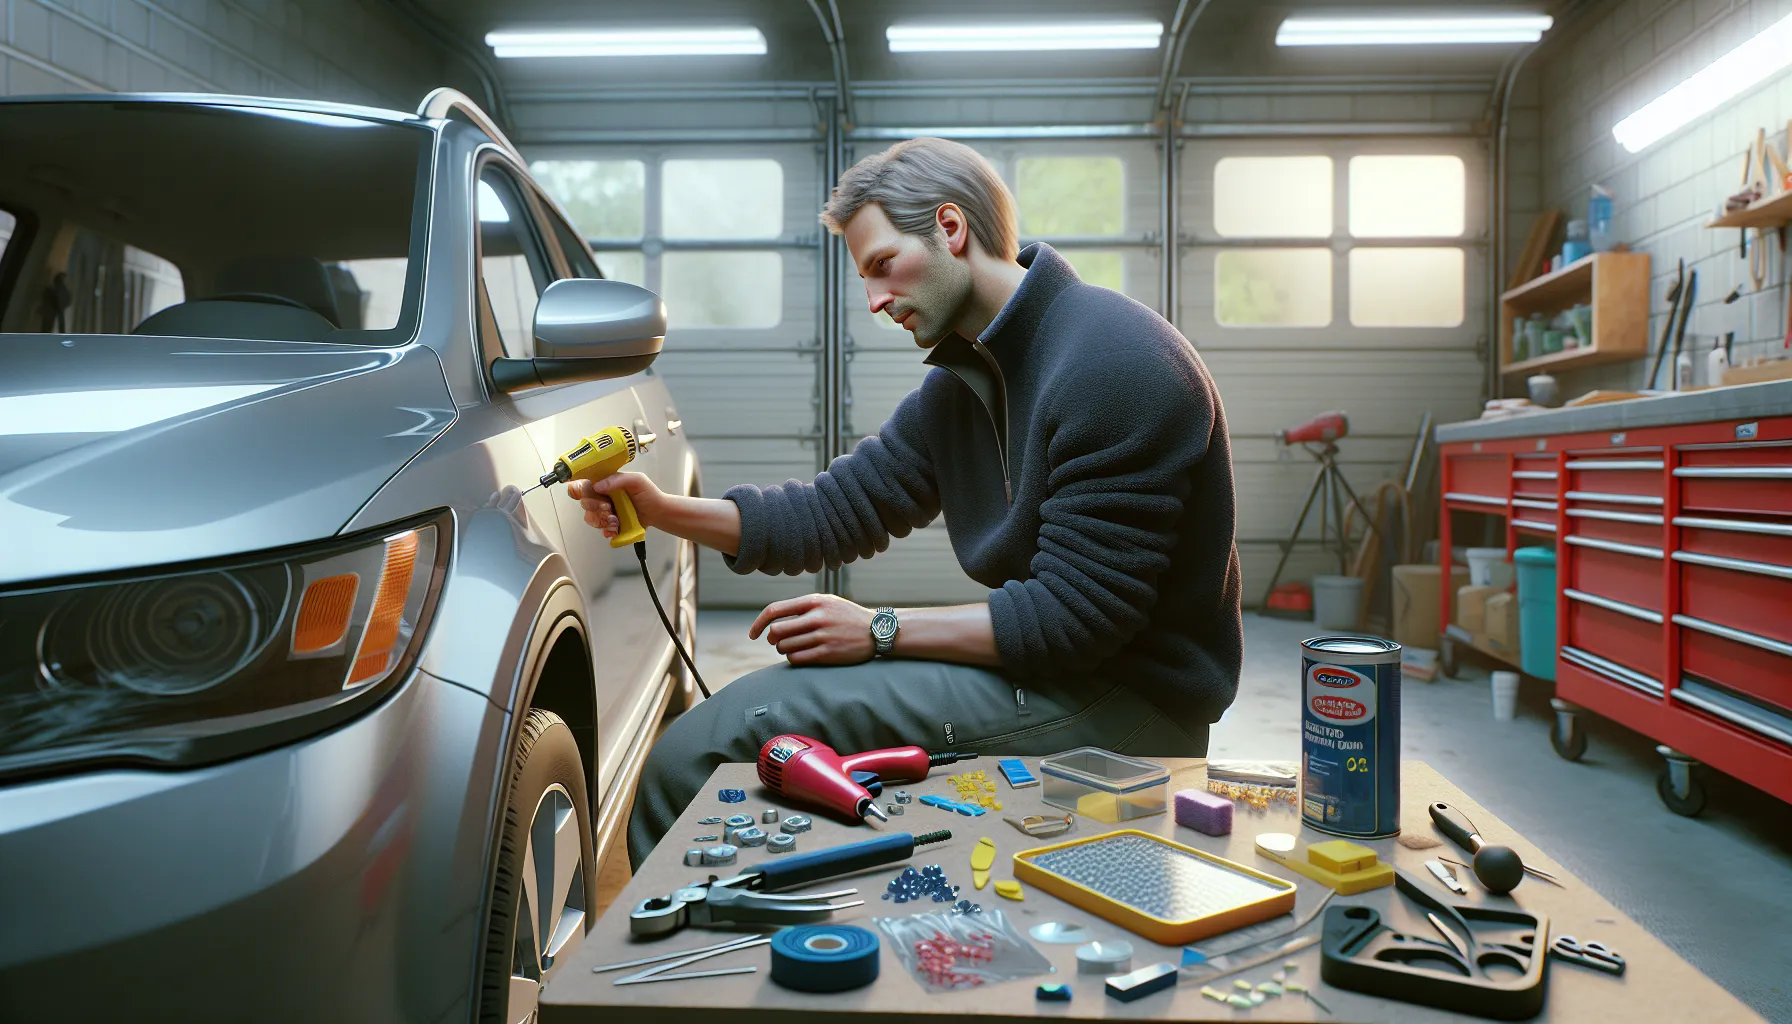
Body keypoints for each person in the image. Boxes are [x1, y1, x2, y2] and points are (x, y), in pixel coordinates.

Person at [575, 138, 1242, 867]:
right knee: (745, 736)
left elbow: (1075, 618)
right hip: (1058, 674)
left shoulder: (1115, 365)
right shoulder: (966, 384)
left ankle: (652, 978)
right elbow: (834, 511)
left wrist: (880, 630)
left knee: (713, 741)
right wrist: (662, 507)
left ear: (950, 229)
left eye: (883, 266)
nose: (875, 301)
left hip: (1128, 708)